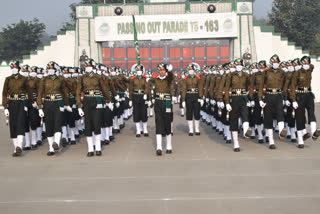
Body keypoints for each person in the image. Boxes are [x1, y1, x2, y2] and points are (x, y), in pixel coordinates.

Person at [76, 59, 112, 157]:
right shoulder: (82, 78)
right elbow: (78, 92)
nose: (87, 67)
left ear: (93, 67)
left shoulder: (99, 77)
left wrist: (108, 101)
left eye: (89, 65)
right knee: (88, 124)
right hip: (87, 101)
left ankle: (98, 148)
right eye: (86, 65)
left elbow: (104, 89)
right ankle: (90, 148)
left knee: (97, 123)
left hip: (97, 100)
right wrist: (79, 105)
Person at [37, 62, 71, 156]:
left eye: (52, 68)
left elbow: (64, 93)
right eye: (49, 68)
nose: (50, 70)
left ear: (56, 70)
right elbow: (40, 94)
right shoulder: (44, 80)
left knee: (57, 123)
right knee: (48, 125)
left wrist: (67, 104)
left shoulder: (60, 79)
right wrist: (40, 107)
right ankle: (51, 148)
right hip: (47, 103)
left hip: (58, 103)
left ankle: (56, 143)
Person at [2, 61, 35, 157]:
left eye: (15, 68)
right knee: (13, 125)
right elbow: (4, 93)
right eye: (12, 67)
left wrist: (32, 102)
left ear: (18, 69)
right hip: (12, 103)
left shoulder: (24, 79)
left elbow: (28, 92)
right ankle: (15, 147)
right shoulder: (8, 79)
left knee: (20, 123)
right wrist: (5, 107)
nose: (13, 69)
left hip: (21, 103)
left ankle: (19, 146)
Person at [290, 56, 320, 148]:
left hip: (309, 94)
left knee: (311, 113)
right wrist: (294, 100)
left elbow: (312, 65)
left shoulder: (309, 70)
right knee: (299, 117)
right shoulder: (297, 73)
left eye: (307, 63)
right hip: (300, 95)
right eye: (304, 63)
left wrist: (308, 62)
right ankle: (300, 140)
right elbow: (292, 87)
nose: (306, 65)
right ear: (301, 64)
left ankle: (314, 132)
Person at [258, 55, 287, 149]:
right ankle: (271, 141)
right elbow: (261, 86)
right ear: (271, 64)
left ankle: (282, 132)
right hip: (269, 95)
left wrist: (285, 98)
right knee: (268, 117)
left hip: (278, 95)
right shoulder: (266, 72)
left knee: (280, 114)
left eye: (277, 63)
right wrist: (260, 99)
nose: (276, 64)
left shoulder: (282, 72)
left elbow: (284, 86)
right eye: (274, 63)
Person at [224, 59, 252, 152]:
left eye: (240, 65)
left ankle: (246, 131)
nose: (239, 67)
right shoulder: (231, 76)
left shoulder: (246, 75)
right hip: (234, 99)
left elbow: (250, 86)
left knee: (245, 115)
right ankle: (236, 143)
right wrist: (227, 102)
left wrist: (249, 97)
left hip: (243, 98)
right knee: (234, 120)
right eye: (237, 65)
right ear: (235, 66)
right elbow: (227, 89)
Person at [149, 63, 175, 156]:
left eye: (163, 70)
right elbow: (148, 83)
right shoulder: (155, 79)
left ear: (166, 71)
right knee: (159, 123)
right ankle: (159, 147)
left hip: (167, 102)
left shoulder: (168, 79)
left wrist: (169, 70)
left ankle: (169, 145)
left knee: (167, 123)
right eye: (160, 70)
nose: (162, 72)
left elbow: (172, 76)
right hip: (158, 102)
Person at [181, 63, 204, 136]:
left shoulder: (198, 78)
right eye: (189, 69)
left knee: (197, 112)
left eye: (192, 69)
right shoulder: (185, 79)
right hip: (188, 96)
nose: (190, 71)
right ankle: (190, 129)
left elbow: (200, 88)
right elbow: (184, 89)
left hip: (196, 96)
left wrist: (201, 98)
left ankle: (197, 129)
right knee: (189, 112)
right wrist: (183, 100)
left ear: (194, 70)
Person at [129, 64, 151, 137]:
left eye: (140, 70)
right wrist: (130, 99)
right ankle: (138, 130)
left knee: (144, 112)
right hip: (135, 96)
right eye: (137, 70)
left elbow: (147, 87)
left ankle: (145, 129)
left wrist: (145, 93)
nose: (139, 71)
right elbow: (131, 89)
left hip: (143, 97)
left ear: (142, 71)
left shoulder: (145, 79)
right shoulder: (133, 79)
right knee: (136, 113)